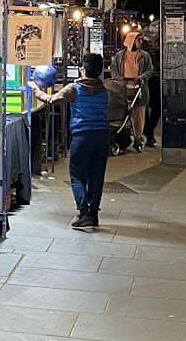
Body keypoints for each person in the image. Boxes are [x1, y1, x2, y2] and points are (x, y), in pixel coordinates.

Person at [57, 53, 110, 230]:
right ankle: (93, 214)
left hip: (82, 137)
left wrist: (34, 88)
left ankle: (84, 212)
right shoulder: (104, 90)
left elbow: (51, 100)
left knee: (78, 176)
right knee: (96, 176)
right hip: (102, 136)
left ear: (84, 70)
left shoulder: (74, 88)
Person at [115, 29, 153, 151]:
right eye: (138, 40)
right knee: (123, 115)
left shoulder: (144, 56)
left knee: (139, 115)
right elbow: (114, 69)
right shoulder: (120, 56)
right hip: (123, 89)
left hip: (139, 89)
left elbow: (150, 70)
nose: (141, 42)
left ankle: (138, 137)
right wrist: (118, 78)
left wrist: (141, 77)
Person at [144, 34, 161, 147]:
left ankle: (148, 132)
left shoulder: (149, 49)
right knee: (155, 108)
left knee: (145, 109)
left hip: (146, 81)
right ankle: (148, 133)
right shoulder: (152, 49)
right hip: (152, 80)